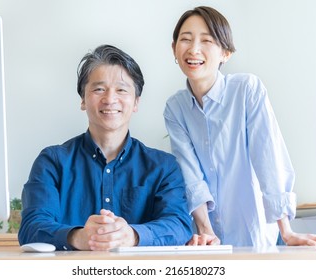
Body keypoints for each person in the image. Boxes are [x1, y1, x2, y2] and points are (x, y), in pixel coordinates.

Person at [163, 6, 316, 247]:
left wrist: (287, 232)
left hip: (254, 231)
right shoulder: (175, 108)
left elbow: (268, 156)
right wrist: (206, 231)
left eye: (207, 40)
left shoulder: (247, 89)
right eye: (185, 39)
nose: (194, 49)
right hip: (207, 239)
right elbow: (190, 173)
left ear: (225, 53)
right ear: (174, 48)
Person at [19, 44, 193, 251]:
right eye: (99, 89)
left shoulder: (163, 166)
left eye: (121, 89)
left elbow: (179, 225)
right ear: (83, 99)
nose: (110, 99)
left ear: (136, 102)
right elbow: (31, 227)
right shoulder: (52, 162)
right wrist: (78, 236)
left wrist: (133, 235)